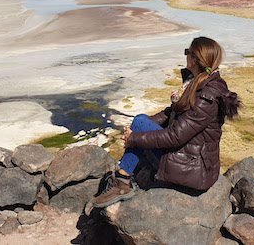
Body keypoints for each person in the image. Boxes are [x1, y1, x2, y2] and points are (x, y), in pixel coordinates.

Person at [92, 36, 241, 208]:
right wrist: (138, 129)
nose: (185, 56)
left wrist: (134, 138)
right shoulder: (197, 82)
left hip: (194, 168)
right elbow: (171, 113)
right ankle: (124, 176)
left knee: (140, 124)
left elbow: (175, 136)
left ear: (194, 59)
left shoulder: (206, 97)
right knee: (141, 121)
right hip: (189, 156)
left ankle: (122, 182)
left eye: (187, 52)